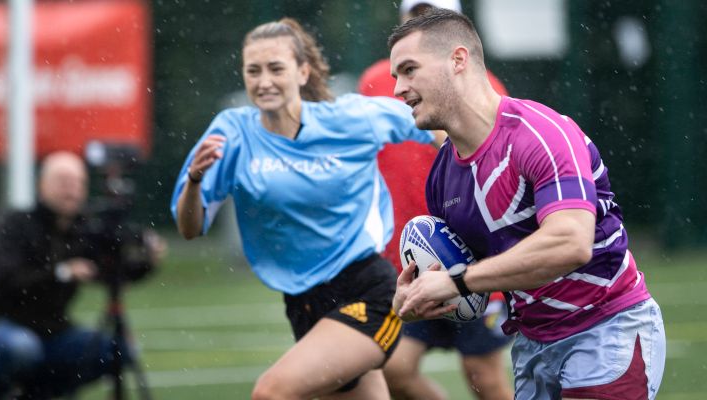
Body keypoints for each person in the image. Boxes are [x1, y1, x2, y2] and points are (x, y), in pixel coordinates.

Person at [388, 9, 665, 400]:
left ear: (458, 60)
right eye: (395, 76)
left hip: (606, 326)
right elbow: (471, 282)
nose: (398, 88)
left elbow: (570, 242)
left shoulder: (540, 134)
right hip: (532, 345)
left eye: (409, 69)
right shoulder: (442, 178)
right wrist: (421, 295)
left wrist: (457, 281)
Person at [171, 18, 436, 400]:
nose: (264, 81)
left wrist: (471, 180)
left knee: (271, 392)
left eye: (276, 68)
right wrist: (195, 182)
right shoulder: (232, 131)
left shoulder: (349, 118)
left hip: (366, 289)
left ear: (302, 71)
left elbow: (436, 124)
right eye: (253, 70)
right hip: (303, 302)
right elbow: (190, 228)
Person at [358, 1, 513, 399]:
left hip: (474, 255)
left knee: (484, 375)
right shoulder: (379, 82)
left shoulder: (486, 85)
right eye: (415, 13)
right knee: (394, 369)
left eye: (433, 14)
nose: (421, 23)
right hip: (406, 260)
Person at [0, 151, 162, 400]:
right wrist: (62, 272)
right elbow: (6, 279)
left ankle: (36, 395)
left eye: (78, 182)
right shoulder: (17, 223)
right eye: (63, 181)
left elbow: (111, 274)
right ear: (41, 185)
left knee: (116, 350)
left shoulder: (82, 231)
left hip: (51, 335)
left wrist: (146, 261)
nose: (71, 189)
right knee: (21, 348)